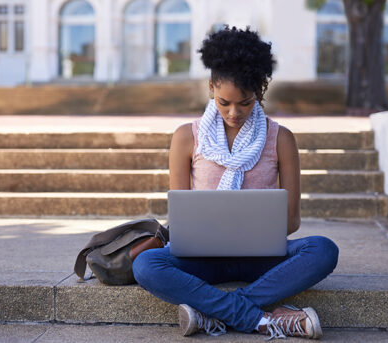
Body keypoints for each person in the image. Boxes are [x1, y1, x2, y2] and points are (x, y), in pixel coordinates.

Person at [131, 26, 340, 340]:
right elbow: (181, 219)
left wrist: (255, 229)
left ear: (259, 90)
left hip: (262, 258)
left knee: (323, 250)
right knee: (147, 265)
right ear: (211, 86)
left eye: (244, 102)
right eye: (223, 102)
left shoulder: (280, 138)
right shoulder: (186, 136)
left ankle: (212, 313)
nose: (233, 112)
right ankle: (262, 319)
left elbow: (292, 222)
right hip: (202, 259)